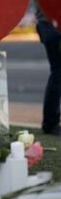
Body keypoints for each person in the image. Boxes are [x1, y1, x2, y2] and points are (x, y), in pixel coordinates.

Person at [36, 7, 61, 135]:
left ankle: (50, 122)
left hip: (47, 24)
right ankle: (50, 123)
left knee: (57, 72)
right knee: (58, 72)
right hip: (53, 24)